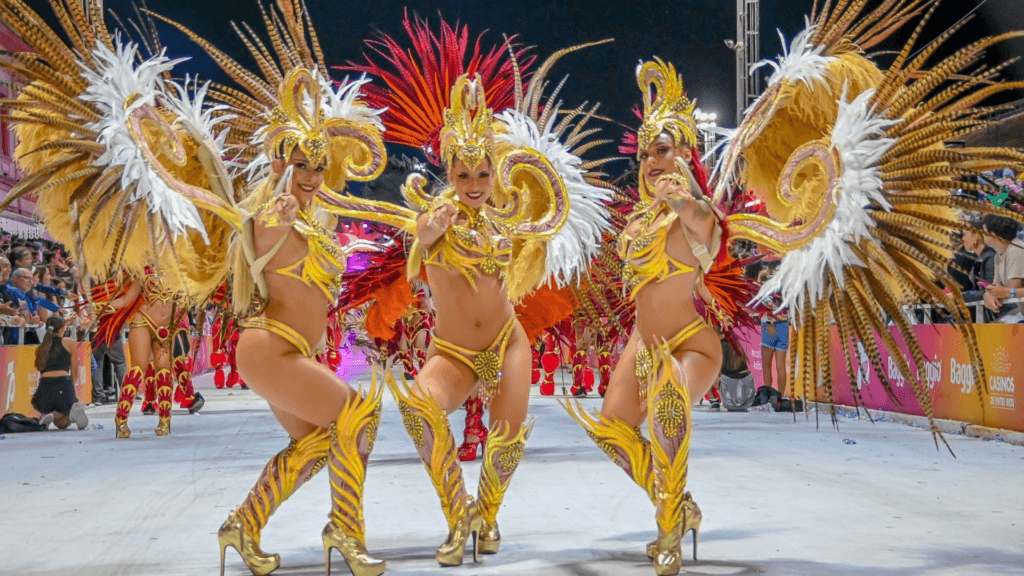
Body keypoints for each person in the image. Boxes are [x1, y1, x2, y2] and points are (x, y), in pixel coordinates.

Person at [564, 59, 727, 575]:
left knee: (668, 405)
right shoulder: (638, 220)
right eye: (645, 153)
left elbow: (703, 222)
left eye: (664, 150)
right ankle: (678, 503)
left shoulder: (699, 213)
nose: (653, 162)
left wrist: (684, 202)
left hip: (693, 346)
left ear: (687, 152)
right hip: (644, 343)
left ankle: (669, 533)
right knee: (610, 427)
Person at [32, 316, 88, 431]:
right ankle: (70, 411)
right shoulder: (69, 342)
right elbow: (74, 368)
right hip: (64, 383)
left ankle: (48, 414)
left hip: (44, 387)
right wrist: (71, 390)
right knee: (63, 422)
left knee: (60, 424)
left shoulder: (40, 347)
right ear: (63, 329)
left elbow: (40, 371)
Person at [982, 214, 1024, 323]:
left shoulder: (1016, 249)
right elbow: (997, 288)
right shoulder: (998, 254)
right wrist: (988, 294)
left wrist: (998, 293)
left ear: (994, 235)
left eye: (984, 230)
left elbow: (1011, 288)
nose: (981, 234)